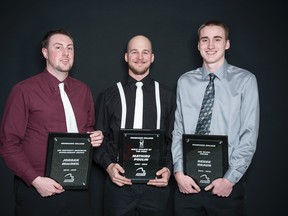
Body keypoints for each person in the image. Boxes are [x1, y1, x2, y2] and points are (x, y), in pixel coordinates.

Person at [0, 29, 103, 216]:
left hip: (78, 188)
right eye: (58, 47)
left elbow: (87, 130)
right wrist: (35, 180)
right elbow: (8, 144)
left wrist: (94, 137)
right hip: (37, 190)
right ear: (45, 53)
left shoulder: (83, 91)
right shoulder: (24, 90)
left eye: (70, 48)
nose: (66, 53)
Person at [171, 20, 260, 216]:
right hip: (188, 184)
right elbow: (178, 130)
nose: (210, 46)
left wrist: (229, 180)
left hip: (226, 185)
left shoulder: (245, 80)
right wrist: (178, 173)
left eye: (217, 39)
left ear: (227, 44)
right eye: (205, 40)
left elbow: (249, 134)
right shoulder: (185, 81)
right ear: (198, 45)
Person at [94, 35, 176, 216]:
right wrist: (108, 167)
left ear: (152, 57)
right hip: (119, 186)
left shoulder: (168, 96)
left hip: (156, 186)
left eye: (145, 52)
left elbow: (174, 139)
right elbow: (97, 142)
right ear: (126, 56)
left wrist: (169, 169)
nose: (140, 57)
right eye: (134, 52)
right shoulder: (108, 95)